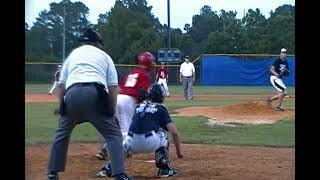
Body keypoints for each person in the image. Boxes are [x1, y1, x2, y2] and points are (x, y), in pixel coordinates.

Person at [47, 28, 131, 180]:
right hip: (95, 95)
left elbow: (61, 85)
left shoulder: (72, 55)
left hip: (71, 94)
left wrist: (63, 107)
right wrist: (111, 112)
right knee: (113, 135)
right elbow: (112, 88)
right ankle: (119, 175)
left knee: (61, 134)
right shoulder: (104, 56)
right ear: (97, 43)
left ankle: (52, 173)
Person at [97, 83, 183, 178]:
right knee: (162, 135)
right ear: (161, 96)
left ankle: (109, 169)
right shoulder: (161, 108)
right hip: (149, 143)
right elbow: (174, 132)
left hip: (132, 143)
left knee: (126, 140)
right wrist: (179, 152)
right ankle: (164, 169)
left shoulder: (138, 106)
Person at [96, 51, 155, 160]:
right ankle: (122, 152)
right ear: (148, 63)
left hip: (119, 98)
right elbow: (143, 93)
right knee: (126, 129)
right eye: (152, 62)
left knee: (115, 127)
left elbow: (121, 87)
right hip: (128, 101)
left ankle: (103, 149)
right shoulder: (145, 75)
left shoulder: (131, 73)